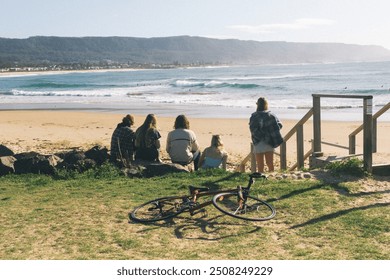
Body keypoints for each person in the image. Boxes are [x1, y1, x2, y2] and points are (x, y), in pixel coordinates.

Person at [249, 97, 283, 173]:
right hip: (269, 141)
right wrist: (269, 132)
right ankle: (271, 178)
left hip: (258, 142)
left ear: (257, 105)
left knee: (260, 165)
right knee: (270, 163)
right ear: (266, 104)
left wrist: (261, 134)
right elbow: (279, 125)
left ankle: (260, 179)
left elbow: (252, 129)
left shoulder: (254, 116)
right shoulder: (271, 115)